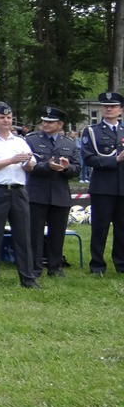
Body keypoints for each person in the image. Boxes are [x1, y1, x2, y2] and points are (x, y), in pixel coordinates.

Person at [0, 102, 39, 289]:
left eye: (9, 117)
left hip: (18, 191)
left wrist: (27, 163)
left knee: (23, 236)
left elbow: (31, 165)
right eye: (2, 117)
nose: (6, 121)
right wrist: (11, 160)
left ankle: (28, 278)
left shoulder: (19, 141)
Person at [25, 106, 80, 278]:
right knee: (35, 233)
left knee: (57, 233)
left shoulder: (68, 144)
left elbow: (77, 168)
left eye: (51, 122)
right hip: (37, 193)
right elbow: (28, 165)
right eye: (44, 121)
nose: (46, 124)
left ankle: (55, 267)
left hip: (60, 193)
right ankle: (35, 267)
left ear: (60, 124)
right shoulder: (31, 140)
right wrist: (46, 166)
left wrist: (66, 168)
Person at [79, 91, 124, 275]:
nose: (109, 109)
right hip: (103, 187)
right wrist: (116, 160)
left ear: (120, 110)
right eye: (105, 106)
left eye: (113, 106)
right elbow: (89, 159)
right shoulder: (92, 131)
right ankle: (97, 265)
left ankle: (121, 264)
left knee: (122, 229)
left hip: (122, 188)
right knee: (100, 228)